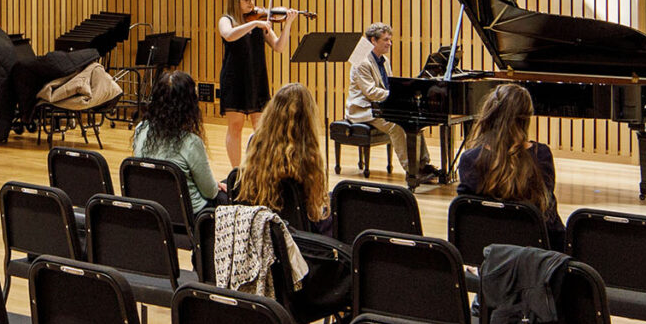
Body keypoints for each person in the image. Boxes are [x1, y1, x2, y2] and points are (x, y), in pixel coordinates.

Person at [455, 81, 563, 245]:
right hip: (534, 258)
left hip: (487, 256)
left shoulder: (470, 159)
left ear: (490, 112)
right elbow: (549, 220)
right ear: (526, 117)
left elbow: (466, 218)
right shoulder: (541, 155)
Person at [346, 23, 438, 187]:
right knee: (396, 125)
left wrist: (401, 90)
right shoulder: (361, 61)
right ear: (373, 40)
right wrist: (398, 94)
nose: (390, 43)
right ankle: (412, 170)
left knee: (414, 120)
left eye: (390, 39)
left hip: (380, 106)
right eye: (386, 40)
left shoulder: (384, 60)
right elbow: (371, 92)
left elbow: (388, 85)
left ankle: (424, 165)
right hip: (364, 109)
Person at [232, 81, 330, 234]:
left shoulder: (254, 142)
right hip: (297, 238)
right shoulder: (306, 155)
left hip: (260, 231)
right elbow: (313, 211)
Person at [130, 69, 218, 214]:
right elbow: (210, 192)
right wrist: (216, 186)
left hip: (151, 211)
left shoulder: (141, 129)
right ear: (189, 105)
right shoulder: (191, 142)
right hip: (188, 215)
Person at [215, 0, 282, 168]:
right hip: (234, 79)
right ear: (236, 1)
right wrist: (254, 24)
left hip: (257, 79)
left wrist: (289, 23)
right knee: (235, 127)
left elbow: (279, 46)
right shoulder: (226, 20)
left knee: (261, 129)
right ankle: (236, 172)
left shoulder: (258, 21)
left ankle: (259, 170)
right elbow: (228, 35)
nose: (251, 3)